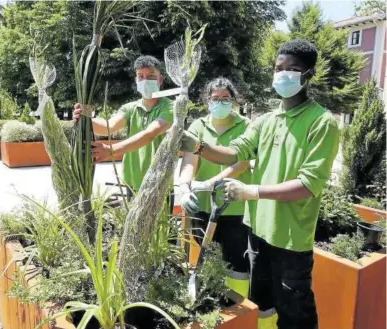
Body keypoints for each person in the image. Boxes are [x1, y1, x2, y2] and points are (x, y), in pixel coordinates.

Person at [180, 39, 340, 329]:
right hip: (258, 232)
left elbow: (308, 184)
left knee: (295, 314)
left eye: (293, 69)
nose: (284, 74)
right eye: (279, 68)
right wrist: (198, 146)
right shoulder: (266, 121)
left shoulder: (321, 122)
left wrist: (251, 191)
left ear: (309, 75)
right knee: (262, 306)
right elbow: (235, 152)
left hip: (290, 238)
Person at [178, 78, 251, 298]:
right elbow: (190, 161)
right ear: (207, 101)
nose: (219, 102)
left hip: (234, 206)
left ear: (233, 100)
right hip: (202, 206)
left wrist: (212, 182)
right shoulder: (198, 126)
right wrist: (184, 186)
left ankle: (237, 306)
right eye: (215, 98)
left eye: (225, 99)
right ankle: (210, 301)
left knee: (235, 261)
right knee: (207, 257)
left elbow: (241, 163)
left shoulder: (246, 126)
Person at [73, 55, 173, 207]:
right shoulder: (130, 108)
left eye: (151, 76)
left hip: (159, 180)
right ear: (136, 80)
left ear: (160, 80)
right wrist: (85, 116)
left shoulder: (170, 107)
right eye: (141, 76)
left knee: (160, 230)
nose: (145, 80)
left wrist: (111, 150)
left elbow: (150, 133)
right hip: (132, 180)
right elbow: (108, 127)